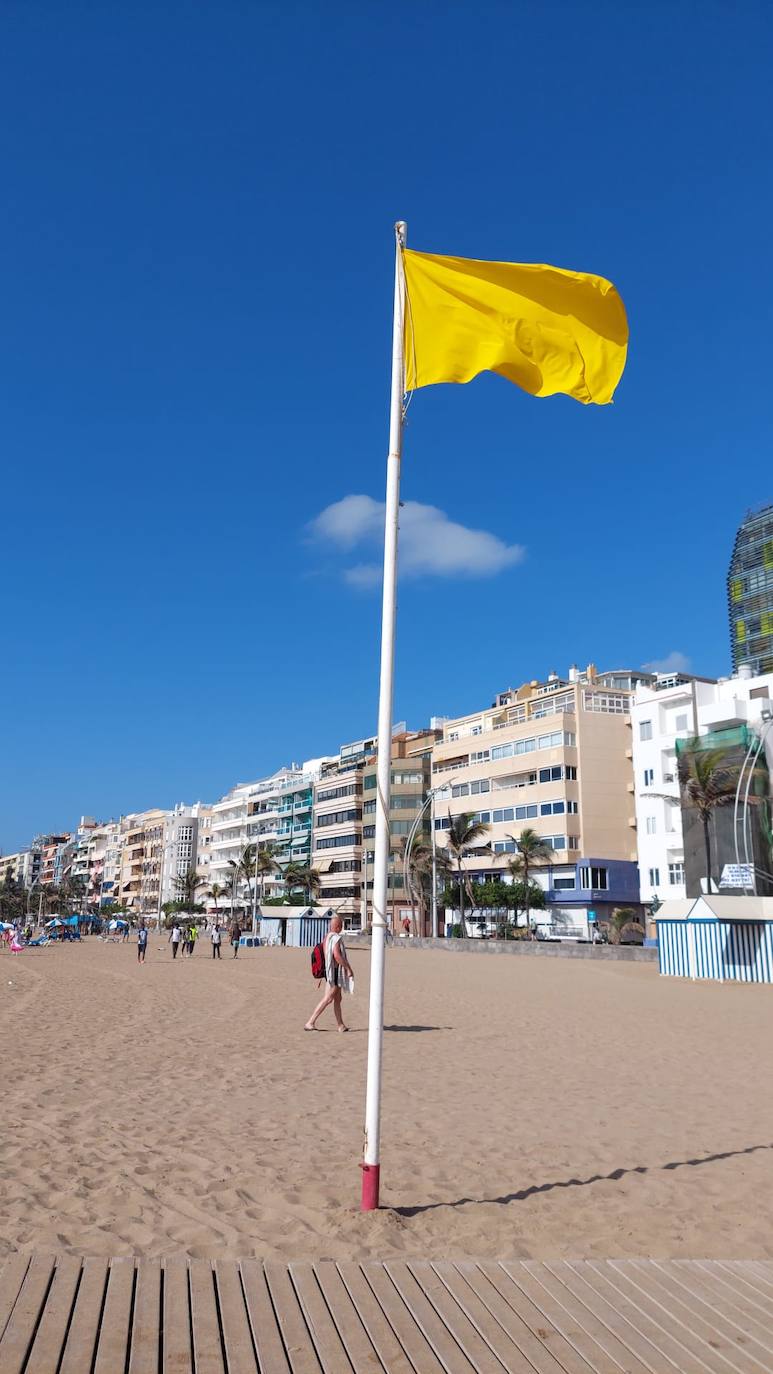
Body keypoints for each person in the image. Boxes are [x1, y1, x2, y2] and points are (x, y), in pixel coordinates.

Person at [304, 916, 353, 1033]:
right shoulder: (335, 938)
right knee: (328, 998)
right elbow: (336, 955)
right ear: (338, 927)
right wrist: (348, 968)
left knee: (337, 999)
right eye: (340, 926)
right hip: (334, 972)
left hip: (329, 971)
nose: (341, 928)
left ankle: (341, 1025)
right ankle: (310, 1022)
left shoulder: (327, 937)